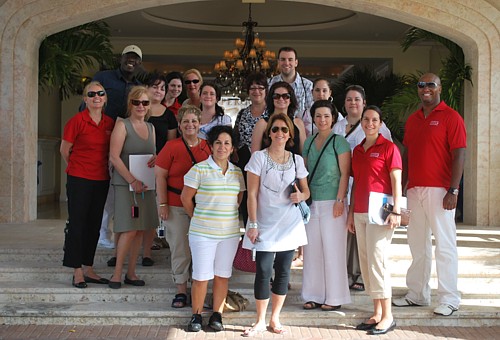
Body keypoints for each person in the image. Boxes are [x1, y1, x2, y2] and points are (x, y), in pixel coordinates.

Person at [392, 73, 466, 317]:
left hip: (441, 190)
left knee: (445, 245)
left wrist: (453, 189)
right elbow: (408, 154)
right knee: (417, 244)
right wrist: (403, 186)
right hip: (415, 189)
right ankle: (417, 294)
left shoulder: (451, 117)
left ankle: (449, 298)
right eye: (421, 85)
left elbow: (459, 154)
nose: (425, 89)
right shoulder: (413, 120)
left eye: (430, 85)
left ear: (439, 88)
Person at [242, 113, 310, 337]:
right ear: (268, 133)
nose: (279, 133)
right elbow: (251, 194)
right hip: (264, 222)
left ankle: (275, 317)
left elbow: (306, 191)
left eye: (283, 129)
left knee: (283, 272)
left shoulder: (296, 160)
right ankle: (260, 320)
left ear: (290, 134)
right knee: (262, 271)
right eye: (275, 129)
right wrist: (252, 223)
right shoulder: (258, 158)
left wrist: (300, 196)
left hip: (289, 223)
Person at [180, 125, 245, 332]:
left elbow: (239, 199)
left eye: (227, 143)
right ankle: (196, 315)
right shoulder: (198, 169)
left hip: (229, 234)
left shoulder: (237, 173)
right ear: (211, 145)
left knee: (222, 275)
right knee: (200, 276)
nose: (222, 147)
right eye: (218, 142)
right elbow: (186, 199)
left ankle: (217, 315)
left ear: (232, 147)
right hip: (202, 234)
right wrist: (199, 217)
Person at [347, 105, 402, 335]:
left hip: (381, 212)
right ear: (361, 123)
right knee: (366, 263)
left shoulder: (389, 148)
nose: (369, 123)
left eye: (374, 120)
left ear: (380, 124)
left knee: (378, 263)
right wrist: (350, 213)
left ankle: (388, 316)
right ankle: (377, 312)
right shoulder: (358, 150)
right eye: (366, 119)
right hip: (359, 211)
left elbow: (396, 181)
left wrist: (396, 210)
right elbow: (356, 183)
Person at [333, 84, 392, 292]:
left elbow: (390, 166)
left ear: (364, 102)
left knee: (371, 244)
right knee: (349, 232)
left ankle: (361, 278)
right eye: (349, 99)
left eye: (357, 99)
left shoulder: (379, 128)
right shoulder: (337, 127)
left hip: (373, 194)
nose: (353, 103)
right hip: (346, 187)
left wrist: (394, 206)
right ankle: (347, 274)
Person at [155, 105, 211, 309]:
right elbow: (160, 175)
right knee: (180, 247)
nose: (190, 125)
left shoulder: (208, 147)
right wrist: (162, 204)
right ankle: (180, 290)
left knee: (201, 249)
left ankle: (199, 291)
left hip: (201, 207)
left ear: (199, 124)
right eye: (186, 121)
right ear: (179, 125)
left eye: (194, 121)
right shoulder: (171, 147)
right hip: (175, 204)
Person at [61, 81, 114, 288]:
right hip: (79, 178)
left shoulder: (109, 123)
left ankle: (89, 267)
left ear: (105, 98)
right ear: (85, 99)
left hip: (101, 179)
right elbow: (65, 150)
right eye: (91, 94)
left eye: (100, 93)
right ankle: (76, 271)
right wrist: (78, 167)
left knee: (94, 225)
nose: (96, 97)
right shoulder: (77, 121)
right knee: (77, 224)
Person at [92, 45, 144, 251]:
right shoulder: (104, 78)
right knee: (104, 190)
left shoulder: (139, 86)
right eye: (128, 57)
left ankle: (120, 233)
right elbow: (88, 103)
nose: (131, 61)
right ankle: (102, 233)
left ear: (139, 62)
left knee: (120, 193)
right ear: (121, 59)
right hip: (103, 139)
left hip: (127, 142)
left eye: (135, 58)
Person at [301, 100, 351, 311]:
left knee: (334, 251)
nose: (322, 120)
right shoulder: (309, 142)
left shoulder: (339, 142)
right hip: (312, 202)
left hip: (333, 202)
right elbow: (303, 172)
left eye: (326, 116)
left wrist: (340, 200)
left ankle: (335, 296)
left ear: (333, 118)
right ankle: (313, 295)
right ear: (313, 118)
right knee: (312, 251)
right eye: (318, 116)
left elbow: (345, 173)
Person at [108, 86, 158, 289]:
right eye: (137, 102)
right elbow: (114, 157)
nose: (141, 106)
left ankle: (131, 273)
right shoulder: (122, 125)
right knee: (128, 229)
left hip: (145, 185)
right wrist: (132, 180)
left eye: (145, 103)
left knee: (139, 230)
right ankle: (117, 274)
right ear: (131, 104)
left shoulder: (151, 128)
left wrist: (157, 159)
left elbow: (152, 154)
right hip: (125, 185)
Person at [141, 72, 178, 266]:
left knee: (155, 208)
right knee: (136, 209)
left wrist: (160, 157)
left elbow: (171, 144)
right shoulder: (138, 109)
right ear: (146, 88)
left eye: (162, 88)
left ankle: (153, 242)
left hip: (159, 167)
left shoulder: (169, 115)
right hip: (136, 167)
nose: (159, 91)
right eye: (155, 86)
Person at [232, 72, 268, 227]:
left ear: (266, 90)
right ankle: (248, 235)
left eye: (260, 88)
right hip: (244, 161)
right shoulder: (242, 113)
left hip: (265, 161)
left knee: (264, 198)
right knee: (247, 198)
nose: (256, 91)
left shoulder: (271, 113)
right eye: (253, 88)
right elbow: (235, 136)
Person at [251, 81, 306, 155]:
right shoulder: (262, 124)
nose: (281, 99)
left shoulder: (298, 123)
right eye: (276, 96)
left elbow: (304, 154)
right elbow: (254, 155)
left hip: (294, 165)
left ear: (290, 100)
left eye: (285, 96)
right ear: (272, 100)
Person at [268, 46, 313, 118]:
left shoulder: (308, 85)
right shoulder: (269, 83)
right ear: (278, 62)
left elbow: (311, 113)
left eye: (290, 59)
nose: (286, 63)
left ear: (296, 62)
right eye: (283, 59)